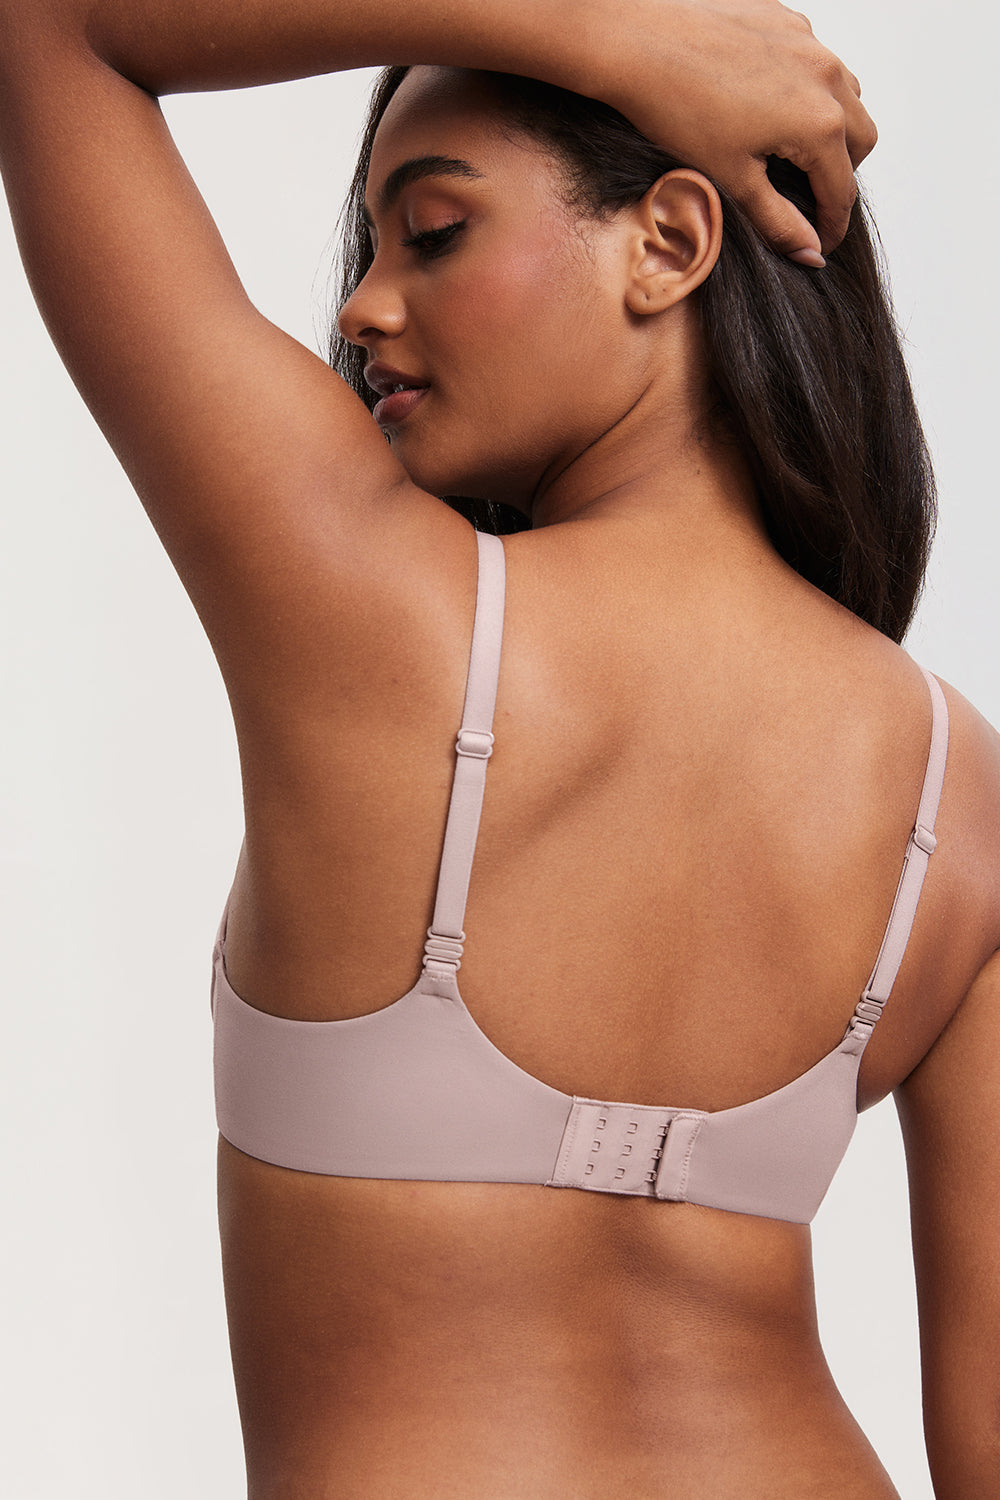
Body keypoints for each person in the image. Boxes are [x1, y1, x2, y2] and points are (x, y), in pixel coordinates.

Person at [0, 2, 997, 1497]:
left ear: (669, 243)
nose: (363, 307)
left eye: (433, 234)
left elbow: (54, 28)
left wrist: (609, 37)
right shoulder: (958, 795)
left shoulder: (365, 608)